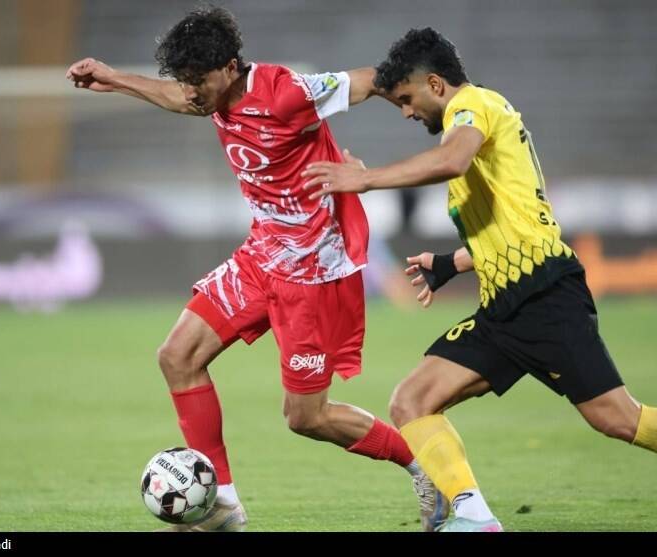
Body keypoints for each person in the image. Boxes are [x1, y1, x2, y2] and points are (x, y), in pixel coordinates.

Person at [67, 8, 448, 531]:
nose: (190, 92)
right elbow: (178, 98)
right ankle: (222, 503)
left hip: (311, 274)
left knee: (306, 418)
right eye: (185, 80)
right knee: (178, 357)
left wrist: (440, 115)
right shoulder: (209, 95)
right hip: (261, 256)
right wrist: (113, 78)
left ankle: (423, 467)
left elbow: (371, 80)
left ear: (229, 67)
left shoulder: (287, 93)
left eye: (198, 80)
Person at [301, 27, 657, 532]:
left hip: (545, 297)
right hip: (505, 307)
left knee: (617, 418)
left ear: (435, 84)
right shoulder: (478, 118)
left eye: (408, 99)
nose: (406, 112)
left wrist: (366, 179)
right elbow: (514, 220)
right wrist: (451, 263)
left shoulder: (473, 106)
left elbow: (452, 161)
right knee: (412, 400)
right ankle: (474, 516)